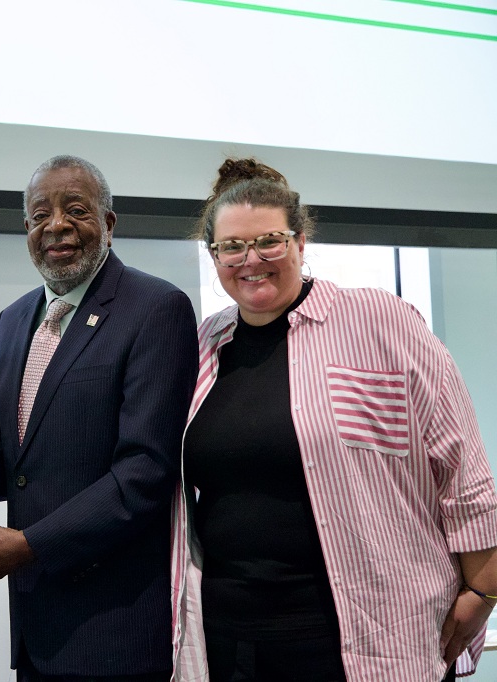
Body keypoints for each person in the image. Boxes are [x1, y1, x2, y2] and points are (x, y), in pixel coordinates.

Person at [171, 158, 497, 682]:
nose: (250, 259)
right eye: (231, 247)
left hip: (368, 633)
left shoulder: (381, 321)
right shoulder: (204, 345)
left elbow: (461, 465)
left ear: (301, 241)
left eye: (269, 241)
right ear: (214, 256)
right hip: (232, 636)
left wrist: (484, 591)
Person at [0, 155, 199, 680]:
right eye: (40, 214)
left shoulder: (157, 308)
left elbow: (146, 473)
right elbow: (23, 465)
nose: (57, 225)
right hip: (38, 629)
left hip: (118, 630)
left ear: (109, 224)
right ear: (26, 230)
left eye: (77, 210)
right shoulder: (14, 321)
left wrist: (29, 546)